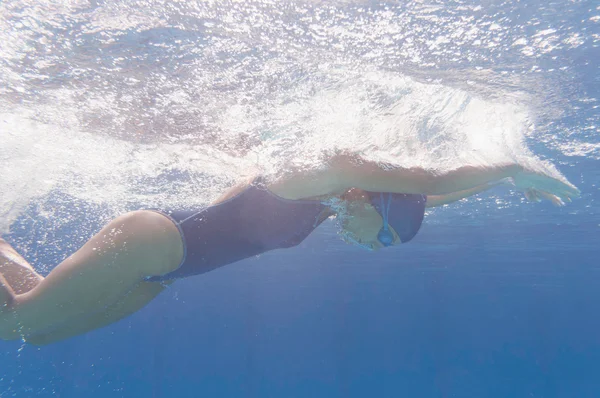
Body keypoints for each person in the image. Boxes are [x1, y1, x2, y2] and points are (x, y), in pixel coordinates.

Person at [0, 153, 579, 345]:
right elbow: (430, 184)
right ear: (370, 200)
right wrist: (511, 168)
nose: (373, 248)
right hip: (150, 242)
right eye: (381, 235)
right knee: (19, 322)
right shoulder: (312, 178)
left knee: (39, 330)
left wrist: (502, 185)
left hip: (161, 275)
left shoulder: (330, 206)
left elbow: (428, 201)